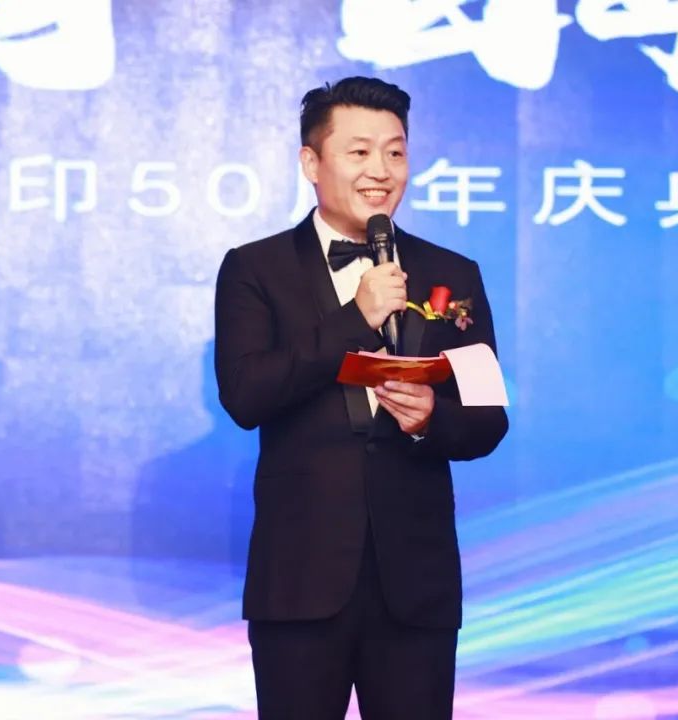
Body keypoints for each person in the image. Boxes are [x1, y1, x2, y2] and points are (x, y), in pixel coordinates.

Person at [213, 76, 508, 720]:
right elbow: (245, 395)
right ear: (310, 162)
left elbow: (488, 418)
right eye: (359, 152)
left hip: (417, 584)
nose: (381, 170)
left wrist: (431, 420)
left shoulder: (452, 273)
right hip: (300, 580)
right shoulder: (255, 268)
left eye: (395, 152)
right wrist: (356, 317)